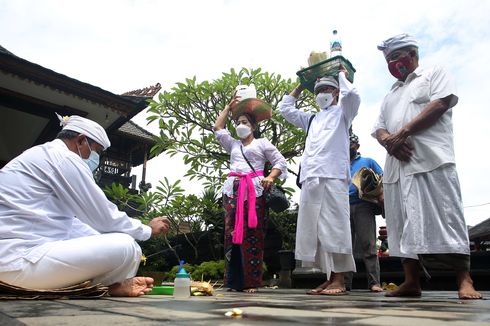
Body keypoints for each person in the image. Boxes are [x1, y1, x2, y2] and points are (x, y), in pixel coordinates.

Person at [0, 114, 170, 297]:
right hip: (18, 262)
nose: (96, 159)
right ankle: (109, 287)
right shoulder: (64, 158)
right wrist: (147, 230)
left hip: (13, 262)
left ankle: (111, 286)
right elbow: (104, 217)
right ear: (81, 141)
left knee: (129, 246)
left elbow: (75, 225)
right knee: (126, 246)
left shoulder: (42, 155)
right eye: (96, 151)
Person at [373, 33, 481, 299]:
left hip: (431, 159)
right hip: (398, 165)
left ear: (412, 54)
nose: (392, 63)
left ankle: (464, 280)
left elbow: (442, 102)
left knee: (446, 217)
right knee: (402, 223)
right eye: (388, 59)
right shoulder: (390, 94)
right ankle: (412, 281)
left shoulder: (434, 73)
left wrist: (404, 132)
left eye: (396, 56)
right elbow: (378, 128)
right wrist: (390, 141)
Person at [279, 66, 360, 295]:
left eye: (326, 89)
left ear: (335, 93)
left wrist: (342, 76)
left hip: (333, 174)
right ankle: (329, 277)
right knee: (315, 230)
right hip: (310, 177)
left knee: (336, 226)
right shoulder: (312, 119)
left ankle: (340, 279)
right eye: (318, 90)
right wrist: (301, 87)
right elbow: (285, 109)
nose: (321, 93)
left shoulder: (344, 112)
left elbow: (352, 96)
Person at [213, 96, 288, 293]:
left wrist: (270, 177)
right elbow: (218, 128)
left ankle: (251, 282)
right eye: (238, 123)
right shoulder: (233, 145)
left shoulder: (262, 143)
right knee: (231, 234)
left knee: (253, 235)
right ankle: (233, 280)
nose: (240, 126)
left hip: (255, 190)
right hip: (233, 191)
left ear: (253, 127)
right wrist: (228, 108)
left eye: (245, 123)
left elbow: (280, 162)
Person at [344, 132, 384, 292]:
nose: (347, 147)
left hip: (363, 205)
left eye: (350, 144)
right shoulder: (339, 163)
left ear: (356, 146)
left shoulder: (368, 161)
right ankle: (345, 283)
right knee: (345, 247)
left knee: (369, 245)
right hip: (342, 206)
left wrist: (380, 197)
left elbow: (381, 178)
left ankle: (374, 283)